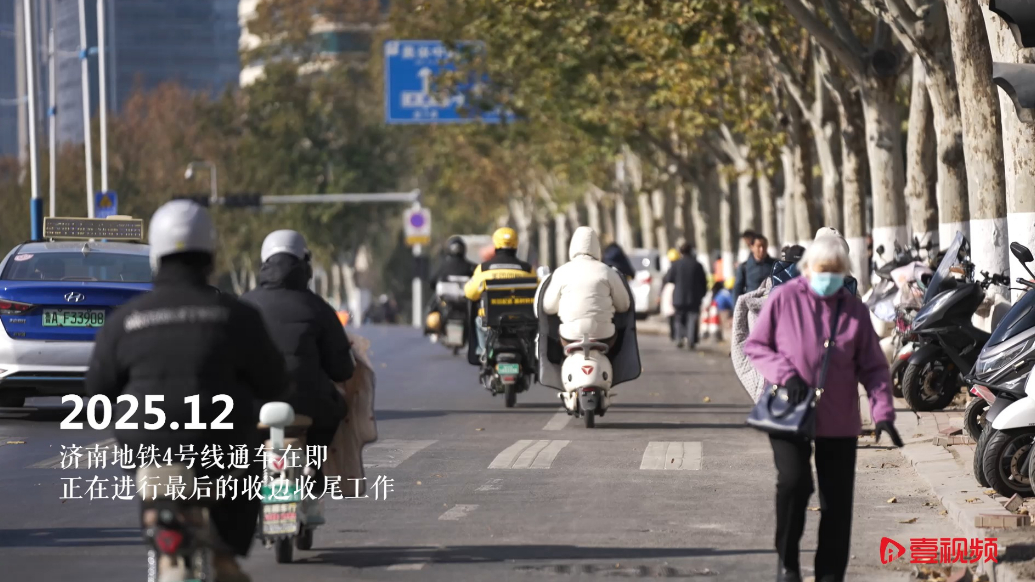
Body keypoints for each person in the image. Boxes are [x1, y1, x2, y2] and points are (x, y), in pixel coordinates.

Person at [85, 200, 288, 582]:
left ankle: (158, 526)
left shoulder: (125, 320)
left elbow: (97, 391)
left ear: (155, 257)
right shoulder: (238, 317)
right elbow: (274, 383)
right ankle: (226, 556)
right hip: (221, 445)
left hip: (148, 447)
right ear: (210, 256)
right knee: (246, 471)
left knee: (153, 484)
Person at [743, 234, 903, 582]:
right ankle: (788, 562)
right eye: (822, 269)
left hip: (838, 418)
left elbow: (874, 367)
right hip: (789, 410)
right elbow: (756, 346)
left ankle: (830, 576)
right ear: (807, 268)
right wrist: (785, 374)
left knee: (837, 503)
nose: (827, 276)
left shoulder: (853, 310)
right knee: (794, 483)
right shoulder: (784, 298)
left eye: (835, 270)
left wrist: (882, 413)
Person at [240, 229, 355, 525]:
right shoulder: (318, 308)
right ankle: (313, 468)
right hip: (309, 403)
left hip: (253, 405)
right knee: (337, 407)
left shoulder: (243, 306)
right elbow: (342, 370)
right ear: (304, 264)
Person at [540, 227, 631, 344]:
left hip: (570, 336)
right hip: (604, 336)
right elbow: (624, 305)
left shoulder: (561, 272)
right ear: (597, 247)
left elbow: (548, 307)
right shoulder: (608, 272)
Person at [464, 227, 537, 357]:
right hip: (523, 322)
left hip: (490, 322)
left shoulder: (483, 269)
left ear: (495, 244)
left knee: (478, 321)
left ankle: (483, 353)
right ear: (516, 244)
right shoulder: (528, 269)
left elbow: (470, 293)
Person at [663, 241, 708, 349]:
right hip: (694, 297)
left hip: (678, 297)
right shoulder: (697, 265)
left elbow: (669, 279)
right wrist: (702, 294)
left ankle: (679, 338)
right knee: (692, 317)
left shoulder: (676, 264)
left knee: (679, 318)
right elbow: (704, 282)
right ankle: (691, 340)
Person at [732, 234, 776, 305]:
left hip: (771, 305)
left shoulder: (776, 265)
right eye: (759, 246)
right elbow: (737, 290)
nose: (761, 249)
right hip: (752, 307)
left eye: (764, 246)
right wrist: (737, 308)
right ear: (752, 247)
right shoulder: (744, 267)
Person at [663, 248, 680, 341]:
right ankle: (675, 334)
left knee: (672, 314)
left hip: (670, 293)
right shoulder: (677, 268)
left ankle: (674, 334)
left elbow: (665, 280)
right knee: (674, 315)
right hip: (674, 293)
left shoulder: (671, 269)